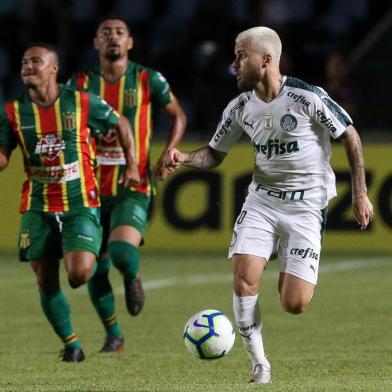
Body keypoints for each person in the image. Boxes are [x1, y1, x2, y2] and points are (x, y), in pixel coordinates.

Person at [165, 27, 373, 383]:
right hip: (262, 202)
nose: (234, 65)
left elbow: (350, 135)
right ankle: (260, 364)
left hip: (306, 208)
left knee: (294, 304)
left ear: (266, 59)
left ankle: (281, 251)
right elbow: (214, 154)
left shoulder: (307, 98)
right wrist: (184, 157)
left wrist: (359, 192)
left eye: (240, 56)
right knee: (244, 278)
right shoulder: (240, 108)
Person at [0, 43, 140, 362]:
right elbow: (4, 156)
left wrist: (132, 165)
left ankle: (110, 317)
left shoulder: (81, 101)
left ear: (54, 68)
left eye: (36, 60)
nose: (28, 65)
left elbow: (121, 123)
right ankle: (72, 344)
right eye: (23, 61)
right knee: (46, 280)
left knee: (79, 274)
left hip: (79, 202)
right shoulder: (12, 111)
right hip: (37, 205)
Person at [68, 17, 186, 352]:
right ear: (95, 43)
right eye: (105, 33)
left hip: (133, 182)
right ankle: (114, 335)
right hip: (88, 187)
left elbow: (177, 115)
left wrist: (168, 152)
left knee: (120, 251)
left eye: (119, 33)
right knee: (93, 267)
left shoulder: (147, 78)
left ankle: (132, 277)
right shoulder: (79, 82)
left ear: (130, 43)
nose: (113, 38)